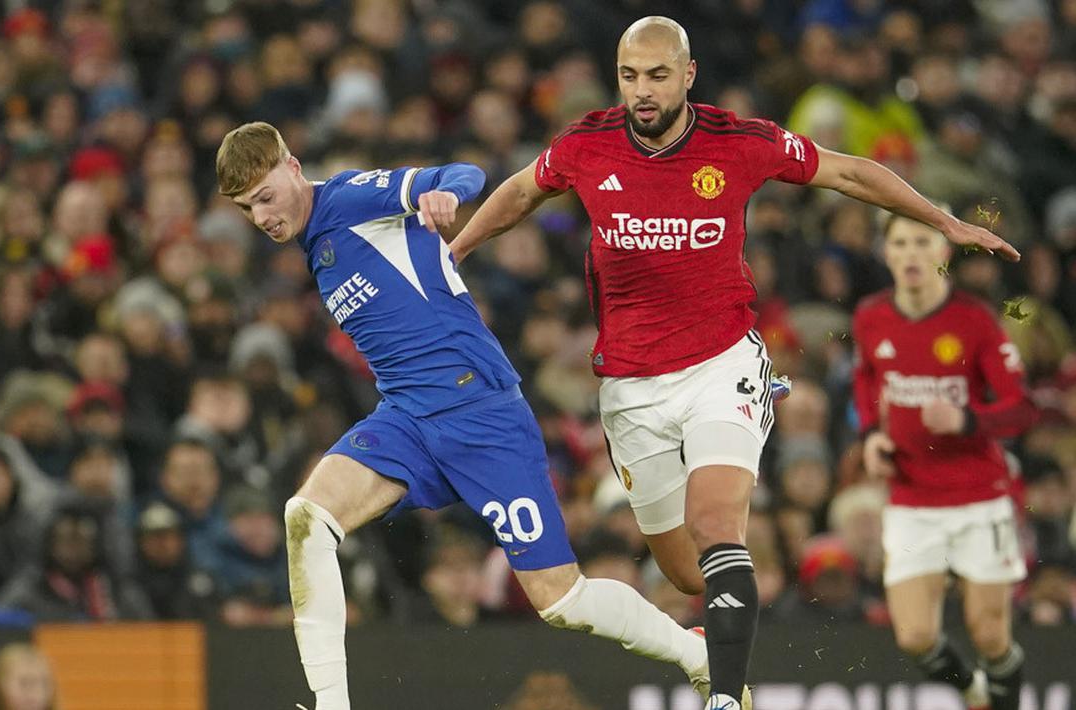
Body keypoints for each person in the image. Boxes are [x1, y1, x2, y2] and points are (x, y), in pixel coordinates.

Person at [448, 16, 1020, 710]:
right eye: (629, 76)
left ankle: (723, 698)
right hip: (629, 386)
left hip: (722, 365)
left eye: (658, 75)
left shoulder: (740, 142)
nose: (642, 91)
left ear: (688, 74)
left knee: (718, 525)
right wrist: (456, 252)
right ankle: (707, 647)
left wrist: (942, 221)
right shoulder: (585, 145)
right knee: (688, 574)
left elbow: (846, 170)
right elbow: (520, 191)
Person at [215, 121, 733, 710]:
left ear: (292, 166)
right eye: (246, 208)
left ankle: (697, 654)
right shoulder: (313, 240)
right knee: (307, 517)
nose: (261, 217)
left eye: (265, 197)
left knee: (560, 600)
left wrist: (444, 193)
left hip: (480, 412)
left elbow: (464, 173)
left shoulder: (350, 198)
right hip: (408, 416)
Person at [853, 213, 1035, 710]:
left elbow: (1021, 407)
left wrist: (967, 419)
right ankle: (973, 693)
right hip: (912, 498)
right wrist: (871, 435)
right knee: (914, 636)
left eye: (922, 242)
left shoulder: (974, 320)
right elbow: (867, 378)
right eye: (900, 243)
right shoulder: (871, 317)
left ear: (943, 253)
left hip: (979, 495)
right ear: (886, 253)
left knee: (990, 635)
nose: (911, 253)